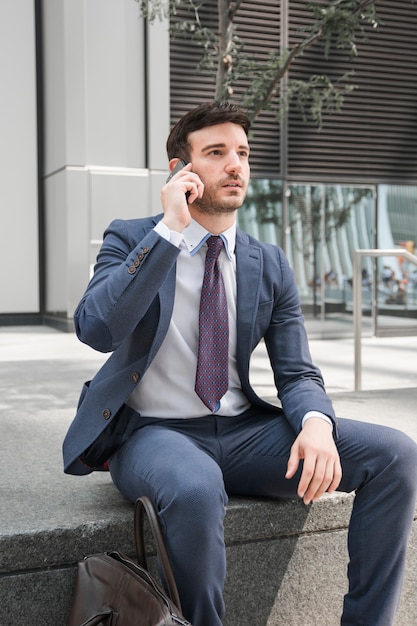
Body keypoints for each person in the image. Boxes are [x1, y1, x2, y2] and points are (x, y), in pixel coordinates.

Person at [63, 101, 417, 626]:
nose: (236, 165)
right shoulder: (133, 237)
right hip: (155, 435)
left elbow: (296, 372)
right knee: (195, 487)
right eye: (216, 152)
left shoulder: (267, 261)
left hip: (245, 432)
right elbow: (97, 328)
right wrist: (168, 231)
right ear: (180, 170)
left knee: (396, 455)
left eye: (243, 153)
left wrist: (317, 424)